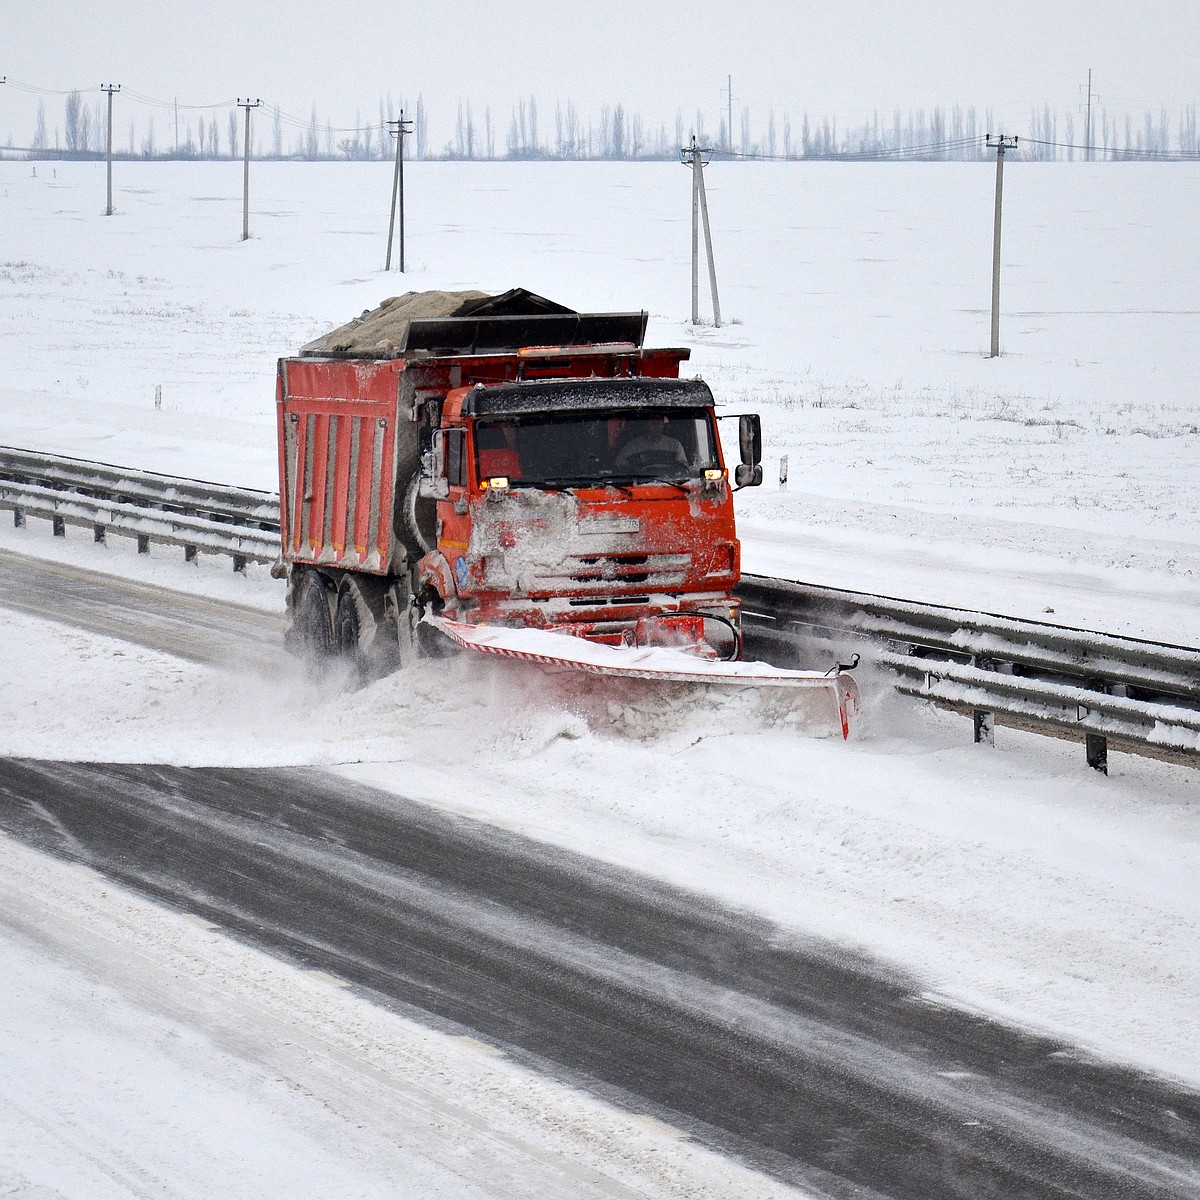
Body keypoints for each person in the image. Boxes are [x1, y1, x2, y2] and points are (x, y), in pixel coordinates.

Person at [615, 416, 689, 470]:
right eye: (652, 422)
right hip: (641, 485)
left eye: (658, 422)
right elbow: (619, 467)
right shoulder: (633, 447)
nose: (656, 425)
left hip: (671, 484)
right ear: (645, 425)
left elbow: (683, 469)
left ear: (663, 424)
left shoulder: (674, 445)